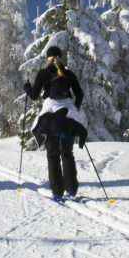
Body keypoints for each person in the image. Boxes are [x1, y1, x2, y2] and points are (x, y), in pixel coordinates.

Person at [23, 45, 87, 203]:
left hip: (50, 119)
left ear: (48, 59)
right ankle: (71, 189)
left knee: (52, 155)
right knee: (67, 154)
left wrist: (27, 87)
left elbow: (34, 96)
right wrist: (74, 109)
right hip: (68, 117)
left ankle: (57, 192)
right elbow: (79, 94)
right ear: (61, 57)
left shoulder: (43, 73)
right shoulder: (69, 74)